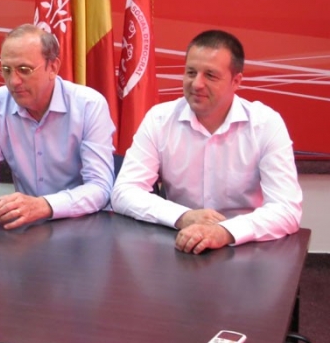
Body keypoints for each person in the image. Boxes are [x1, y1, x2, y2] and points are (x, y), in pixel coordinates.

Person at [111, 30, 302, 254]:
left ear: (236, 81)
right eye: (191, 72)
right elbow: (124, 192)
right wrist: (184, 216)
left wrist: (223, 231)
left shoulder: (265, 124)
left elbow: (286, 209)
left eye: (210, 76)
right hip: (179, 243)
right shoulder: (160, 119)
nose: (197, 84)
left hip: (245, 248)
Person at [0, 24, 115, 230]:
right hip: (27, 227)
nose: (13, 81)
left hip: (83, 226)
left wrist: (45, 205)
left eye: (24, 70)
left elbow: (100, 187)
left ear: (53, 67)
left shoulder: (89, 105)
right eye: (6, 70)